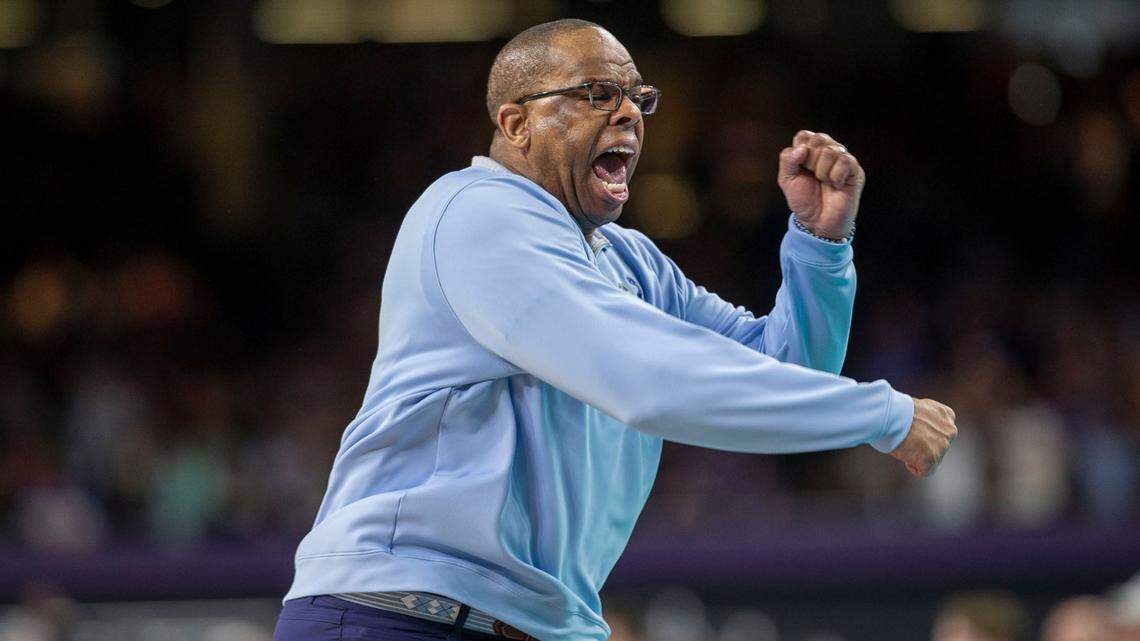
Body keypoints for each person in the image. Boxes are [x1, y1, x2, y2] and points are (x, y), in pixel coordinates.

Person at [271, 18, 958, 641]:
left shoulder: (628, 259)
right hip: (394, 614)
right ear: (516, 124)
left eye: (639, 98)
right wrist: (883, 413)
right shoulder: (475, 213)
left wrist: (818, 246)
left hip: (539, 623)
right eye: (598, 93)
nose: (630, 111)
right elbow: (648, 380)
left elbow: (782, 367)